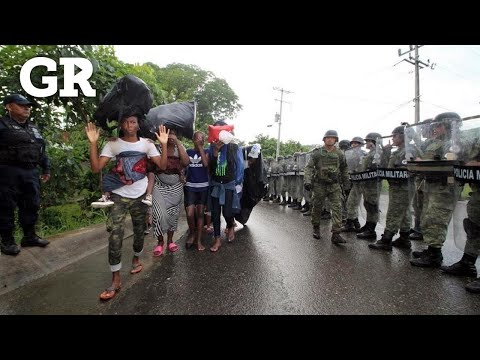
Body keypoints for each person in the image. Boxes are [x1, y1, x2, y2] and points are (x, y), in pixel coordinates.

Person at [85, 116, 169, 301]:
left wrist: (162, 144)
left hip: (140, 196)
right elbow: (96, 168)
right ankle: (115, 279)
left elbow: (162, 165)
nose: (130, 125)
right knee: (115, 234)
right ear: (121, 125)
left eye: (133, 122)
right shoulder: (113, 145)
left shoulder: (147, 144)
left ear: (138, 125)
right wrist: (93, 143)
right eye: (126, 122)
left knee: (140, 232)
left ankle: (136, 259)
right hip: (118, 195)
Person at [0, 94, 51, 256]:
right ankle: (7, 241)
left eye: (28, 105)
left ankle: (29, 237)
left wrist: (46, 168)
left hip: (31, 172)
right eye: (22, 105)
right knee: (6, 207)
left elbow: (41, 150)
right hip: (8, 172)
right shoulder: (2, 125)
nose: (27, 108)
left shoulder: (33, 127)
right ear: (9, 106)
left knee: (31, 205)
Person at [304, 130, 350, 244]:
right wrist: (307, 181)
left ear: (336, 140)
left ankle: (336, 233)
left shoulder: (340, 153)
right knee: (317, 207)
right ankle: (316, 227)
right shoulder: (317, 153)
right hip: (320, 185)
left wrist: (346, 184)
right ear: (324, 140)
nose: (330, 139)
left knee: (337, 208)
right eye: (327, 138)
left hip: (334, 185)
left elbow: (344, 169)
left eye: (332, 138)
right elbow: (309, 167)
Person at [151, 127, 190, 257]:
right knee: (158, 214)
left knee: (173, 214)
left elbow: (185, 162)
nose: (171, 136)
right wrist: (163, 144)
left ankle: (170, 241)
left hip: (176, 186)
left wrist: (178, 143)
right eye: (169, 134)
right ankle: (160, 242)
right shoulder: (157, 148)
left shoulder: (180, 147)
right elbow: (154, 166)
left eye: (173, 134)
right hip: (159, 185)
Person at [208, 120, 244, 252]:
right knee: (215, 213)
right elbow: (210, 167)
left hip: (229, 184)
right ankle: (217, 239)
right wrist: (216, 152)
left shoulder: (234, 147)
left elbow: (239, 166)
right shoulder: (212, 146)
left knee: (228, 212)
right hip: (216, 184)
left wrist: (238, 183)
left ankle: (230, 225)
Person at [184, 131, 210, 251]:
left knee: (200, 214)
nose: (201, 140)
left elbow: (205, 164)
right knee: (189, 213)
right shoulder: (188, 152)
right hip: (190, 186)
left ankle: (198, 240)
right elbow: (183, 165)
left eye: (203, 139)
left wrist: (200, 148)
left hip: (203, 187)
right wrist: (181, 174)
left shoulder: (207, 151)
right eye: (198, 139)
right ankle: (192, 232)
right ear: (193, 140)